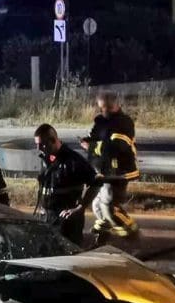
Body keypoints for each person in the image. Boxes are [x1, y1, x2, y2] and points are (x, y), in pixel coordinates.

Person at [82, 91, 139, 238]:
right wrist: (87, 141)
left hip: (119, 171)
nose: (105, 111)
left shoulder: (124, 122)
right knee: (96, 204)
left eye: (108, 107)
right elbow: (94, 137)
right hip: (102, 169)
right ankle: (104, 228)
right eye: (102, 108)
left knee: (109, 206)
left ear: (116, 105)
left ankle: (131, 231)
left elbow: (117, 146)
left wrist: (92, 147)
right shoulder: (100, 121)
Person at [34, 124, 98, 245]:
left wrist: (80, 208)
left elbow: (96, 183)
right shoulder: (46, 159)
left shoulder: (73, 160)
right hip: (47, 220)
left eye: (42, 144)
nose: (39, 149)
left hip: (67, 224)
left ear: (53, 141)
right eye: (36, 144)